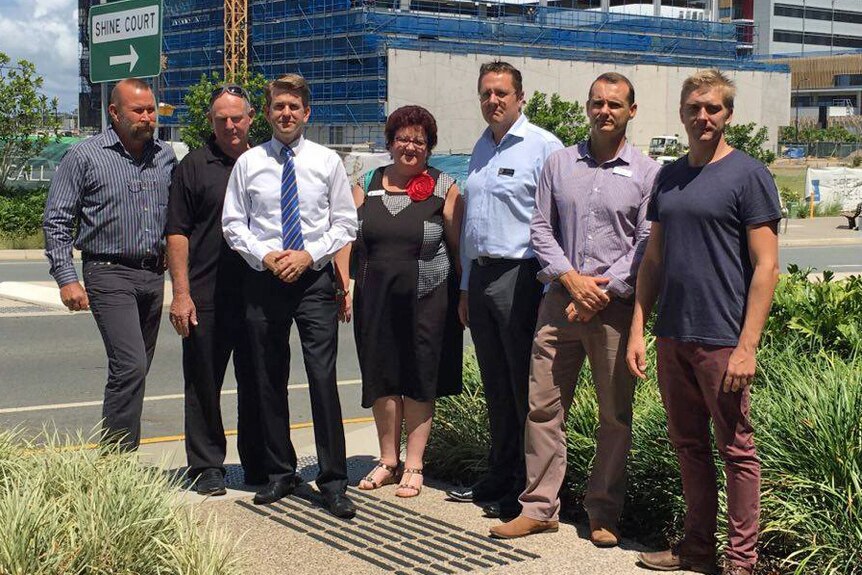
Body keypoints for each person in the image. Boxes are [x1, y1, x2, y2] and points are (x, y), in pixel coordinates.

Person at [490, 73, 660, 544]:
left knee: (614, 416)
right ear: (587, 107)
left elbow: (646, 243)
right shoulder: (560, 163)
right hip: (559, 303)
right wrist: (571, 280)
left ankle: (603, 514)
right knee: (543, 408)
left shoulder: (647, 173)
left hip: (613, 308)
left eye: (615, 104)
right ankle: (539, 507)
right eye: (597, 102)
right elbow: (540, 227)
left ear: (632, 110)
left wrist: (602, 293)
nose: (605, 110)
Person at [627, 70, 781, 575]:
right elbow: (652, 260)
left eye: (713, 108)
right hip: (673, 335)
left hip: (722, 338)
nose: (704, 116)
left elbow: (766, 266)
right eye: (695, 107)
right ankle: (697, 549)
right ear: (682, 112)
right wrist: (638, 328)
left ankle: (741, 562)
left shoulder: (749, 175)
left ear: (728, 114)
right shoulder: (668, 177)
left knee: (737, 451)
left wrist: (747, 346)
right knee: (689, 446)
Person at [221, 74, 358, 518]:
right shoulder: (249, 163)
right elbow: (233, 224)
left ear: (306, 113)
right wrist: (265, 256)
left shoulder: (326, 161)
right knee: (267, 377)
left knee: (322, 379)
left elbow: (345, 223)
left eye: (293, 107)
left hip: (314, 280)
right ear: (267, 112)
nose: (286, 114)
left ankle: (334, 479)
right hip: (264, 279)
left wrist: (309, 254)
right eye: (278, 106)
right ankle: (281, 473)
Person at [447, 61, 563, 518]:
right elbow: (474, 227)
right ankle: (498, 473)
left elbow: (557, 220)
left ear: (520, 97)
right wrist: (465, 287)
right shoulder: (481, 148)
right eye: (485, 94)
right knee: (495, 384)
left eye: (501, 93)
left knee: (522, 387)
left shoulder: (542, 147)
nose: (492, 101)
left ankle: (523, 485)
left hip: (522, 277)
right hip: (483, 277)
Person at [43, 78, 177, 450]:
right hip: (107, 271)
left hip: (152, 274)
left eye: (151, 110)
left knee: (135, 371)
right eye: (139, 110)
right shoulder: (85, 156)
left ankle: (117, 460)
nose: (148, 117)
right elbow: (56, 221)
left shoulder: (165, 156)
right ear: (114, 112)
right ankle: (116, 462)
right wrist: (66, 278)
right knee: (130, 366)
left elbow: (179, 217)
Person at [338, 105, 463, 498]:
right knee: (382, 376)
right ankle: (387, 460)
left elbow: (459, 250)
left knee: (419, 377)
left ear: (429, 148)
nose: (410, 147)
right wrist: (343, 282)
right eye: (403, 139)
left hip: (429, 297)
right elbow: (347, 236)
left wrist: (464, 295)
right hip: (374, 294)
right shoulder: (367, 181)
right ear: (390, 143)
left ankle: (414, 463)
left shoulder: (445, 186)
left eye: (419, 141)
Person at [166, 84, 263, 495]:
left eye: (237, 117)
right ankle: (207, 466)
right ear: (211, 121)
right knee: (203, 383)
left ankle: (262, 465)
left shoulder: (266, 162)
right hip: (205, 295)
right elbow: (176, 233)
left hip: (259, 295)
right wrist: (181, 293)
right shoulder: (192, 166)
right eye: (221, 118)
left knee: (260, 381)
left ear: (251, 118)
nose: (229, 125)